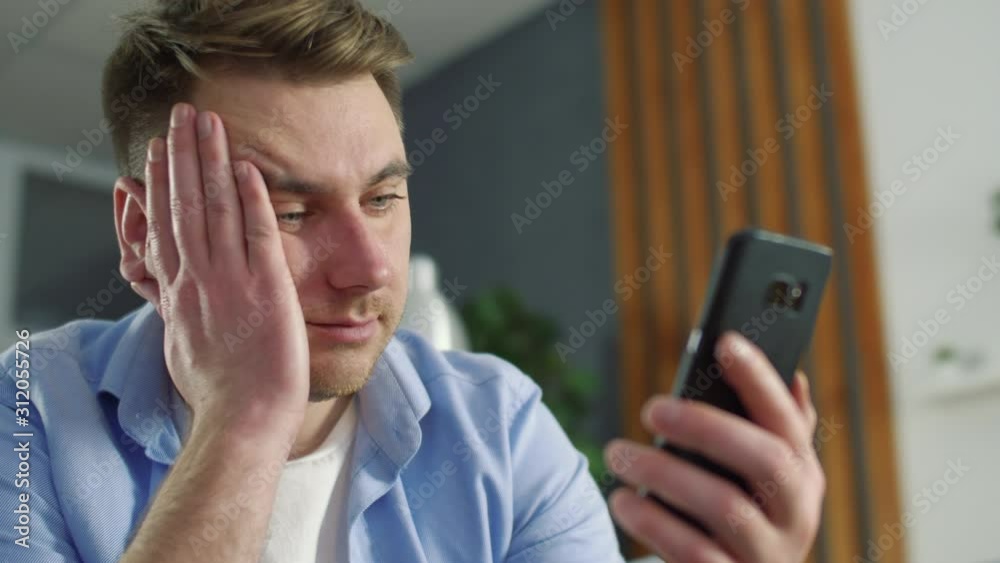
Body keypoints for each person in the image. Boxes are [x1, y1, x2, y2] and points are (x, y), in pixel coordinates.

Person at [0, 1, 825, 561]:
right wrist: (244, 416)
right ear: (143, 234)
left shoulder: (499, 429)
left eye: (382, 198)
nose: (369, 267)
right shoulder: (26, 411)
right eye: (289, 212)